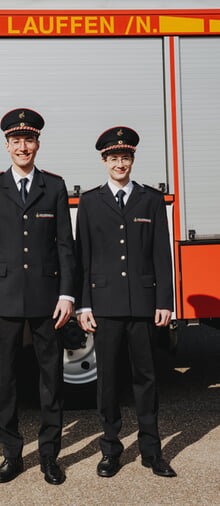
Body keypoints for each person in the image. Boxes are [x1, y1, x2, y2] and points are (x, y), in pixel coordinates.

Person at [0, 108, 75, 485]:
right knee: (7, 380)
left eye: (28, 139)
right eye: (15, 140)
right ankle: (11, 454)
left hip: (48, 300)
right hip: (5, 300)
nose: (22, 146)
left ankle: (49, 455)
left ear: (37, 144)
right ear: (6, 145)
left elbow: (65, 244)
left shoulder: (54, 185)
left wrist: (67, 294)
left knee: (51, 379)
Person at [76, 126, 176, 478]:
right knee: (108, 381)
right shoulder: (90, 201)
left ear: (132, 159)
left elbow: (161, 255)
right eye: (114, 158)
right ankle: (110, 450)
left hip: (143, 305)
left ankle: (152, 451)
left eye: (126, 157)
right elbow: (83, 257)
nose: (120, 163)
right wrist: (84, 305)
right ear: (104, 161)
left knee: (146, 378)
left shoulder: (150, 200)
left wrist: (165, 300)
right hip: (104, 306)